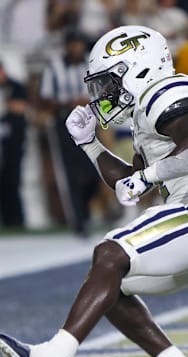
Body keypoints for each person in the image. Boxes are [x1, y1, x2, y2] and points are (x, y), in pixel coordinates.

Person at [0, 25, 188, 357]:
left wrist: (148, 176)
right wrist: (89, 144)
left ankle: (52, 354)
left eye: (110, 81)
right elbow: (132, 182)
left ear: (138, 67)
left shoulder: (167, 89)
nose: (104, 92)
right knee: (109, 286)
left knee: (110, 254)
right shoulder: (145, 113)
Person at [39, 28, 100, 236]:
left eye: (79, 44)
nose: (76, 48)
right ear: (66, 46)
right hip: (63, 122)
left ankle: (85, 210)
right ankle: (79, 221)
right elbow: (45, 98)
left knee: (94, 171)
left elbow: (101, 94)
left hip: (89, 121)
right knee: (71, 174)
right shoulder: (54, 67)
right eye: (73, 44)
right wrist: (68, 103)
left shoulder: (90, 66)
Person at [0, 62, 28, 227]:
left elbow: (19, 109)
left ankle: (15, 220)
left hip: (12, 143)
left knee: (12, 180)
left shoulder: (15, 87)